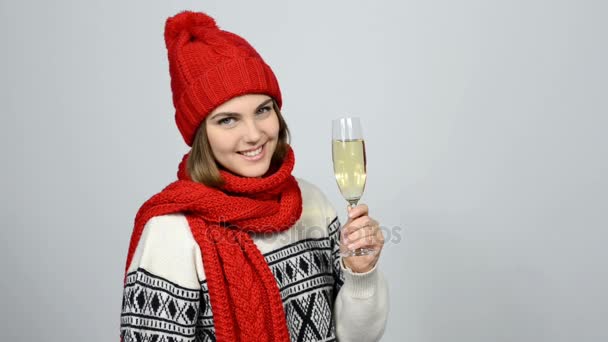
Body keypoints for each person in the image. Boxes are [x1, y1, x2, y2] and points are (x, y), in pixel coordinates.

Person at [120, 10, 388, 342]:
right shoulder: (170, 233)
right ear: (201, 134)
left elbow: (356, 338)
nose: (254, 134)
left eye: (263, 110)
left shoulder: (311, 203)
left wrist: (360, 274)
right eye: (228, 120)